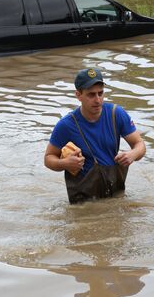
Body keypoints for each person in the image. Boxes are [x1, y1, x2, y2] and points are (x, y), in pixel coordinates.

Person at [44, 68, 146, 203]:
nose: (98, 100)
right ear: (78, 95)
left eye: (100, 93)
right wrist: (65, 163)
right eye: (91, 95)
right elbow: (48, 158)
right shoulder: (66, 125)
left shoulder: (117, 114)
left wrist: (132, 154)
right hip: (83, 201)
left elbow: (140, 145)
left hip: (115, 194)